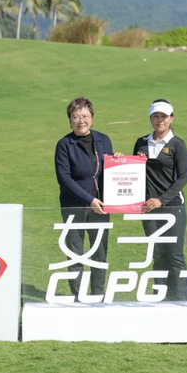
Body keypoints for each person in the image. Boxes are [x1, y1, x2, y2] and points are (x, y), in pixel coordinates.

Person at [54, 96, 114, 299]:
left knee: (99, 252)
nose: (81, 121)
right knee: (75, 253)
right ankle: (78, 297)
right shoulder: (64, 144)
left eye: (85, 116)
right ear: (70, 120)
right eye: (76, 117)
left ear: (92, 118)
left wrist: (121, 162)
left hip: (101, 206)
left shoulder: (104, 140)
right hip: (74, 207)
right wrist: (90, 200)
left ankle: (98, 295)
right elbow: (64, 179)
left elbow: (110, 170)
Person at [133, 99, 187, 301]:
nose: (160, 120)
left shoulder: (177, 144)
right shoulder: (141, 142)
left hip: (173, 207)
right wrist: (122, 160)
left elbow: (183, 177)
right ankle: (161, 299)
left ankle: (181, 300)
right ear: (150, 118)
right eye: (155, 116)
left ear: (171, 118)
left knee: (174, 254)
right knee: (157, 253)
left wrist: (161, 200)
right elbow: (134, 172)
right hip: (148, 208)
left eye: (164, 117)